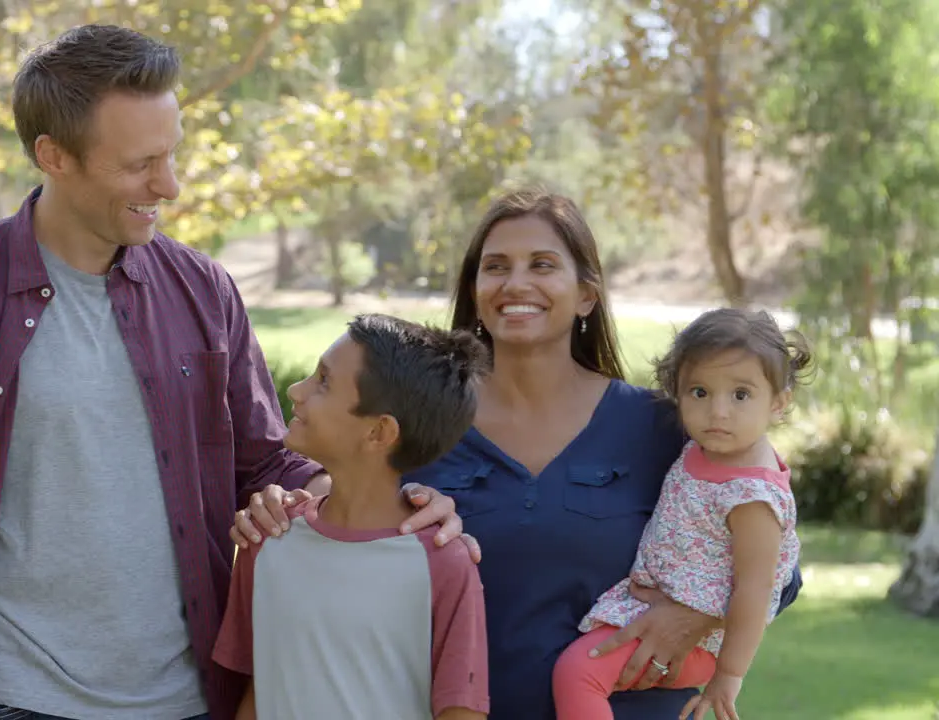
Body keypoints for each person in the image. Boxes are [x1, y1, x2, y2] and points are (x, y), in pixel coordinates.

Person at [0, 25, 466, 720]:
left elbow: (265, 465)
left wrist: (389, 504)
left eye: (171, 155)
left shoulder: (204, 291)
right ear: (54, 156)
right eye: (140, 165)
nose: (169, 185)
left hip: (188, 698)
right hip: (8, 697)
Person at [233, 188, 803, 719]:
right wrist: (286, 503)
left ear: (586, 294)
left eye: (543, 265)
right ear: (475, 291)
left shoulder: (664, 424)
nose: (516, 283)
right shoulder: (425, 426)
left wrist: (699, 613)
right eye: (496, 266)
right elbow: (351, 517)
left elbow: (778, 562)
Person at [212, 314, 491, 720]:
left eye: (323, 381)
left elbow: (462, 710)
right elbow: (261, 689)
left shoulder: (444, 563)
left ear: (379, 432)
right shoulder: (268, 538)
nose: (297, 389)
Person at [552, 308, 807, 720]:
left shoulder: (752, 497)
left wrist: (728, 675)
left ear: (778, 403)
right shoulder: (703, 450)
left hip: (695, 642)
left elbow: (756, 590)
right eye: (700, 392)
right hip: (648, 606)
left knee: (577, 674)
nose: (717, 412)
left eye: (740, 394)